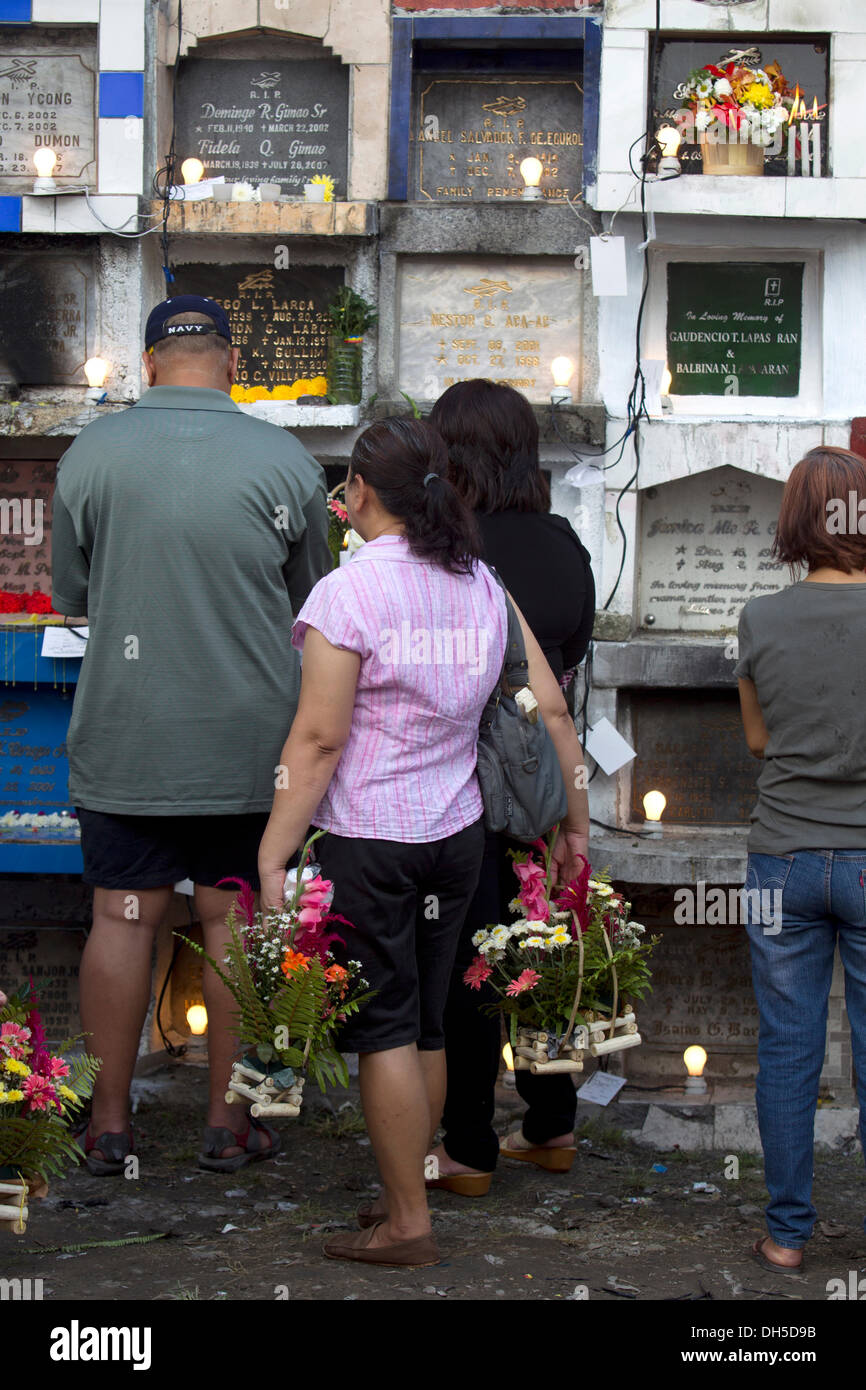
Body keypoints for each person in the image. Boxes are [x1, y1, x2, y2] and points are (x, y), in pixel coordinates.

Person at [258, 416, 590, 1268]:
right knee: (430, 1030)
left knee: (385, 1033)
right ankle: (413, 1184)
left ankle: (409, 1223)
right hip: (455, 833)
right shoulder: (480, 582)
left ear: (359, 492)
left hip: (372, 836)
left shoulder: (352, 589)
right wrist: (576, 817)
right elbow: (544, 704)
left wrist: (272, 852)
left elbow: (320, 739)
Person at [51, 295, 331, 1176]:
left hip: (129, 738)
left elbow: (72, 596)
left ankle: (108, 1125)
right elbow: (311, 603)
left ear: (146, 366)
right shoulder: (285, 460)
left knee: (122, 917)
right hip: (249, 748)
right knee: (232, 925)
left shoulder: (90, 454)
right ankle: (227, 1120)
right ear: (232, 362)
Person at [425, 379, 594, 1192]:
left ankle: (468, 1146)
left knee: (470, 962)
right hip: (547, 777)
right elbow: (570, 663)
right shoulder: (564, 544)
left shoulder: (451, 554)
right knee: (540, 945)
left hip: (463, 778)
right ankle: (552, 1123)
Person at [736, 446, 866, 1275]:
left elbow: (758, 741)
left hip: (776, 860)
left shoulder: (759, 617)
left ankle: (787, 1234)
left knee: (786, 1050)